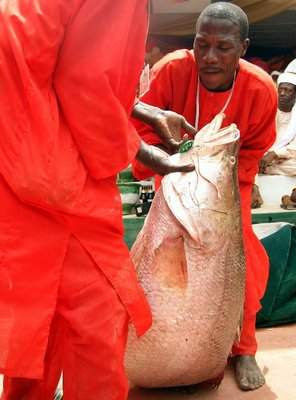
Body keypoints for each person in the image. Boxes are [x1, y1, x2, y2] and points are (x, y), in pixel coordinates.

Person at [0, 1, 196, 399]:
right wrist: (139, 149)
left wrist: (139, 109)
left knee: (43, 308)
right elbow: (84, 81)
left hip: (16, 144)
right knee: (97, 317)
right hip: (43, 159)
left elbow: (60, 58)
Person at [132, 1, 277, 391]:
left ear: (243, 47)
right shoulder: (172, 69)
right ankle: (165, 347)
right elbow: (139, 130)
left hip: (225, 191)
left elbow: (255, 149)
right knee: (156, 265)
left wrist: (218, 174)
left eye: (223, 47)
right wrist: (168, 161)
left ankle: (244, 348)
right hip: (175, 183)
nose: (209, 57)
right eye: (202, 44)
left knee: (244, 260)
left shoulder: (262, 89)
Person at [260, 71, 296, 176]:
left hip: (284, 158)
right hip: (261, 153)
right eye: (280, 89)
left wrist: (275, 154)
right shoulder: (265, 109)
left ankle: (265, 169)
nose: (282, 94)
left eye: (288, 91)